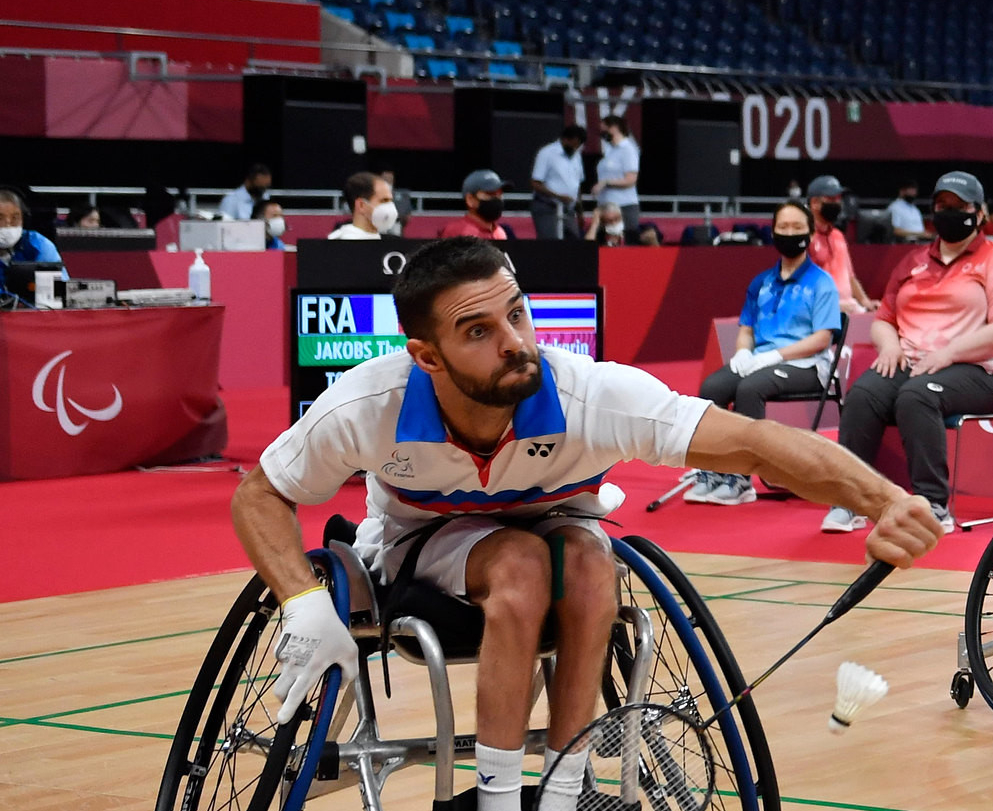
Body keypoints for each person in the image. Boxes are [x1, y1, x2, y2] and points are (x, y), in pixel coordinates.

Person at [230, 237, 940, 811]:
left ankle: (564, 792)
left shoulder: (590, 394)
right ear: (426, 356)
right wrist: (300, 600)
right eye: (478, 331)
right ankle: (500, 800)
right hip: (424, 545)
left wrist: (884, 500)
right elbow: (260, 493)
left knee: (592, 560)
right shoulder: (370, 401)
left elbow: (753, 442)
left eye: (516, 313)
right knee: (518, 562)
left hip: (561, 525)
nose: (514, 340)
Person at [821, 170, 993, 535]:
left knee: (917, 396)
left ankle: (933, 503)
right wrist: (890, 345)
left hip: (974, 368)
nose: (949, 212)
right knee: (864, 395)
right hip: (912, 359)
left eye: (959, 207)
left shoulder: (989, 259)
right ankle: (850, 499)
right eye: (942, 205)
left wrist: (948, 353)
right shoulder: (914, 261)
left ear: (979, 214)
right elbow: (883, 317)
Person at [682, 201, 841, 506]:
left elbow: (822, 338)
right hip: (759, 360)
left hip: (805, 365)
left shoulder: (822, 283)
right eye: (784, 228)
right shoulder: (762, 282)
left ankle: (741, 480)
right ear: (773, 232)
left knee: (749, 389)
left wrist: (776, 356)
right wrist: (742, 353)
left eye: (797, 227)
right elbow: (747, 328)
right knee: (711, 387)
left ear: (809, 233)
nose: (790, 233)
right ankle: (712, 471)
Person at [806, 174, 878, 315]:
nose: (838, 203)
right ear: (814, 203)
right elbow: (802, 285)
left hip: (849, 309)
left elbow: (849, 276)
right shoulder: (805, 237)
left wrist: (865, 301)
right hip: (820, 313)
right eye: (832, 199)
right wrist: (833, 306)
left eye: (839, 199)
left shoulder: (838, 235)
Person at [0, 188, 64, 296]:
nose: (8, 224)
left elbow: (60, 291)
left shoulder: (39, 244)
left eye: (15, 218)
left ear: (24, 220)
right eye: (0, 218)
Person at [530, 124, 587, 240]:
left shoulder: (577, 156)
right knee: (550, 243)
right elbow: (535, 183)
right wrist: (558, 196)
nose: (576, 148)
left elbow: (577, 185)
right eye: (574, 145)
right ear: (565, 139)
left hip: (569, 210)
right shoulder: (547, 153)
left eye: (578, 146)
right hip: (547, 207)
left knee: (574, 241)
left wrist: (580, 212)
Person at [591, 115, 640, 235]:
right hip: (605, 206)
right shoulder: (609, 150)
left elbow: (631, 180)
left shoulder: (628, 149)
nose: (602, 133)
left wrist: (606, 182)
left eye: (604, 130)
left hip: (623, 206)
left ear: (614, 128)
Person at [441, 169, 512, 240]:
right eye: (490, 194)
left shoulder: (500, 233)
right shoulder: (457, 232)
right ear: (470, 200)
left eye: (500, 194)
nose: (497, 199)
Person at [328, 171, 398, 241]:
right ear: (361, 205)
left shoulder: (393, 244)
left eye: (390, 201)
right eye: (384, 200)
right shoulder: (337, 243)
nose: (390, 206)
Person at [886, 177, 928, 242]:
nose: (914, 192)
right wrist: (919, 234)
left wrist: (928, 235)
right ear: (902, 191)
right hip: (904, 244)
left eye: (915, 190)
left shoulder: (915, 209)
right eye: (911, 189)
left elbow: (921, 230)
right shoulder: (894, 207)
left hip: (921, 242)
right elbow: (894, 231)